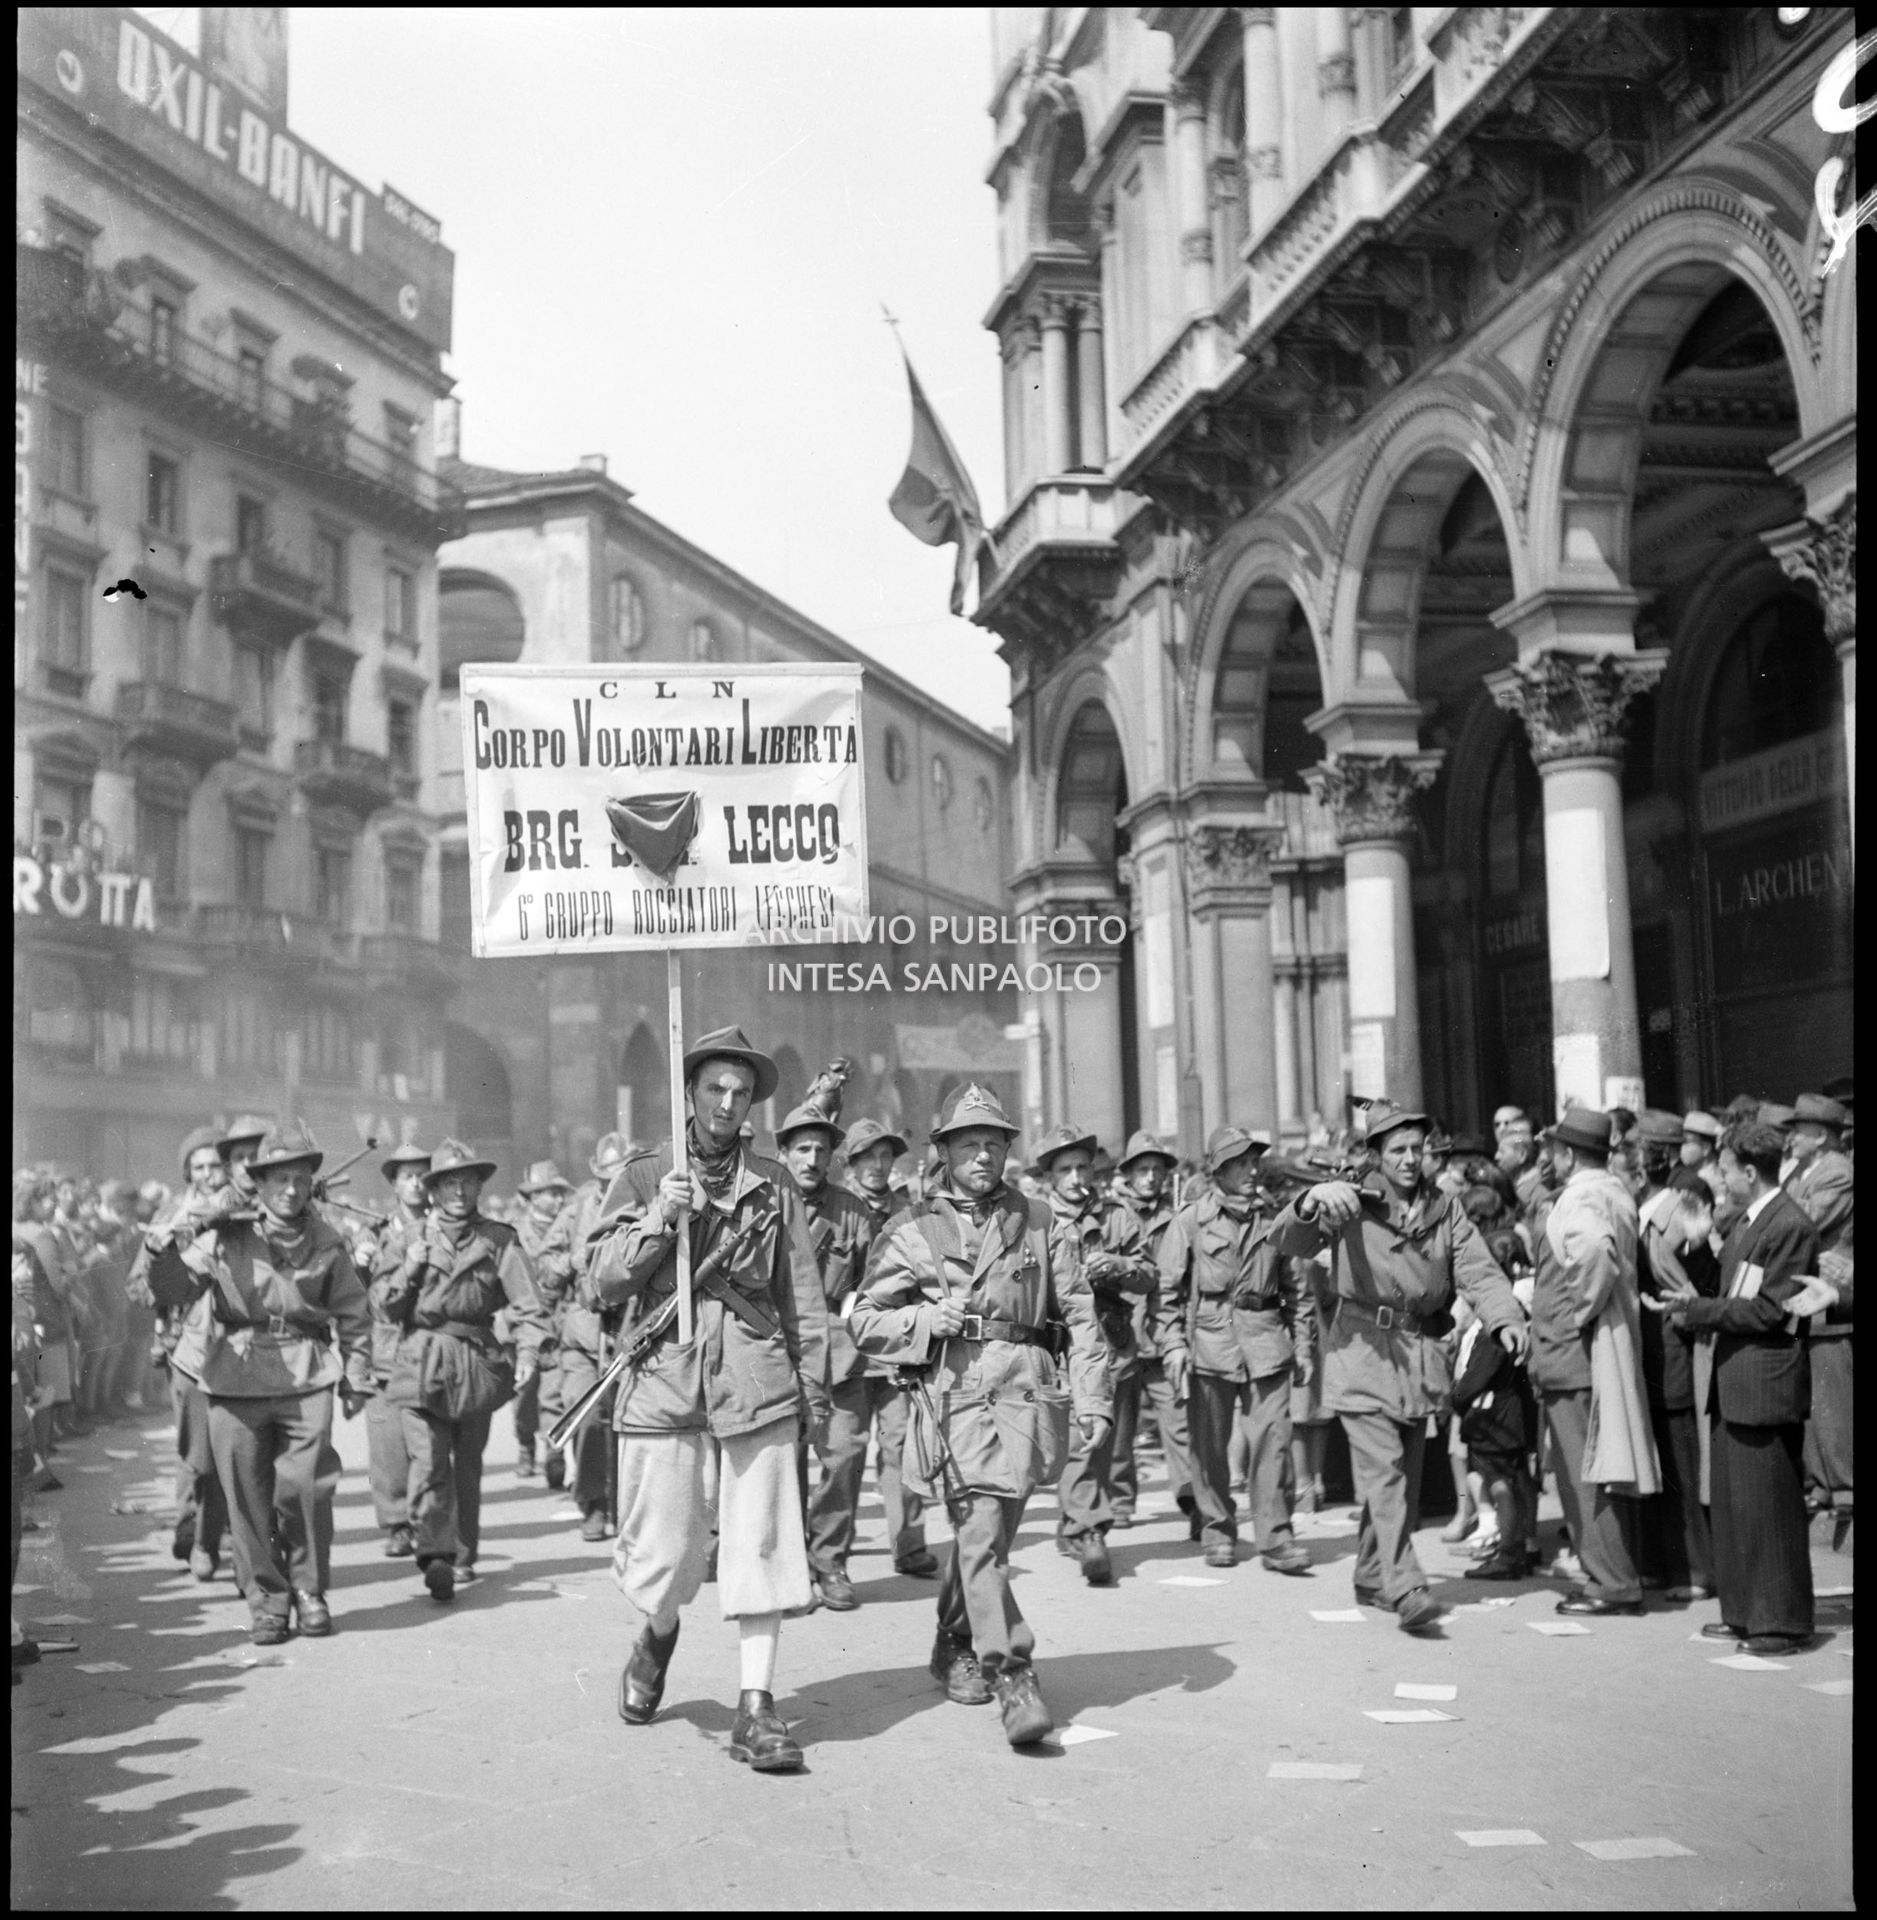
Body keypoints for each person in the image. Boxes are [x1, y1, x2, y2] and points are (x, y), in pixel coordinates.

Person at [585, 1026, 831, 1773]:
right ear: (688, 1092)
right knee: (666, 1554)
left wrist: (811, 1396)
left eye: (741, 1091)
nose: (727, 1102)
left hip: (755, 1380)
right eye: (714, 1088)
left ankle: (756, 1707)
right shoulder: (643, 1173)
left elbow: (805, 1300)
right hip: (664, 1380)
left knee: (760, 1544)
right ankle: (657, 1633)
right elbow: (601, 1278)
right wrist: (661, 1215)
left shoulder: (776, 1184)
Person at [850, 1082, 1111, 1747]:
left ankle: (952, 1636)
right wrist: (919, 1318)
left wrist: (1093, 1398)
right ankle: (1012, 1672)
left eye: (993, 1143)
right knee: (980, 1530)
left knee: (988, 1539)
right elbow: (862, 1319)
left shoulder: (1043, 1218)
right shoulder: (910, 1227)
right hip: (953, 1400)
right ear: (943, 1152)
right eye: (968, 1143)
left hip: (1028, 1399)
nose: (982, 1155)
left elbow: (1081, 1317)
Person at [1272, 1098, 1528, 1634]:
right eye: (1398, 1151)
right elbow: (1289, 1240)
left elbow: (1477, 1270)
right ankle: (1407, 1584)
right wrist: (1311, 1200)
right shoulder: (1348, 1200)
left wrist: (1504, 1317)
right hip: (1361, 1349)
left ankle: (1370, 1573)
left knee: (1403, 1486)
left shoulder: (1444, 1206)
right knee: (1384, 1473)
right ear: (1375, 1155)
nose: (1410, 1160)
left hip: (1418, 1355)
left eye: (1417, 1149)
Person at [147, 1122, 372, 1645]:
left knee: (307, 1489)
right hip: (235, 1374)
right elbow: (172, 1288)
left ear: (310, 1183)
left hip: (306, 1370)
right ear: (259, 1185)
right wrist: (179, 1238)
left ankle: (310, 1590)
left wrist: (357, 1376)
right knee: (246, 1499)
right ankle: (267, 1602)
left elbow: (355, 1314)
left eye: (298, 1178)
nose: (290, 1190)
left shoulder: (326, 1241)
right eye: (278, 1180)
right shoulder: (228, 1234)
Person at [1658, 1121, 1821, 1655]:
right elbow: (1732, 1289)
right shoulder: (1753, 1220)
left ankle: (1780, 1622)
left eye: (1726, 1170)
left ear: (1751, 1172)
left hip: (1763, 1383)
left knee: (1769, 1509)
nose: (1719, 1180)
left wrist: (1697, 1310)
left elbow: (1772, 1309)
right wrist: (1704, 1248)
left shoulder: (1789, 1224)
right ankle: (1744, 1613)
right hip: (1737, 1381)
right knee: (1735, 1508)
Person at [379, 1140, 550, 1603]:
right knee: (428, 1460)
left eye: (468, 1181)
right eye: (449, 1182)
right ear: (432, 1189)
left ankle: (464, 1553)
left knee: (467, 1465)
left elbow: (529, 1306)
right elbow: (386, 1306)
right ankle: (435, 1552)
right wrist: (409, 1268)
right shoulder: (407, 1239)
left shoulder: (499, 1240)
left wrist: (530, 1355)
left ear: (479, 1186)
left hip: (475, 1360)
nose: (459, 1190)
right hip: (421, 1356)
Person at [1158, 1126, 1315, 1575]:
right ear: (1218, 1170)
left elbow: (1297, 1290)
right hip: (1209, 1340)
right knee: (1209, 1445)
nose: (1251, 1170)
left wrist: (1302, 1347)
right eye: (1240, 1163)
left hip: (1266, 1339)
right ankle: (1217, 1529)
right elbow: (1166, 1292)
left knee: (1274, 1441)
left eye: (1253, 1161)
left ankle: (1276, 1538)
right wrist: (1172, 1345)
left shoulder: (1276, 1218)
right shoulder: (1190, 1220)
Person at [1529, 1109, 1659, 1617]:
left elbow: (1596, 1256)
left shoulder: (1580, 1197)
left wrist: (1580, 1309)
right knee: (1599, 1463)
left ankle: (1611, 1579)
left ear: (1565, 1155)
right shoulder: (1615, 1190)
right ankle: (1615, 1571)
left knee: (1584, 1470)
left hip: (1573, 1349)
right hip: (1599, 1344)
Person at [1031, 1123, 1150, 1587]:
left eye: (1083, 1166)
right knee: (1081, 1438)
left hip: (1113, 1339)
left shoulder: (1117, 1217)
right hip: (1064, 1345)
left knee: (1107, 1444)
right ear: (1050, 1176)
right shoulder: (1036, 1220)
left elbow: (1150, 1274)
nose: (1077, 1176)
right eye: (1066, 1169)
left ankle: (1073, 1523)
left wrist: (1120, 1267)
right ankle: (1088, 1530)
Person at [775, 1099, 879, 1611]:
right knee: (781, 1463)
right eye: (802, 1148)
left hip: (839, 1352)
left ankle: (830, 1559)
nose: (812, 1158)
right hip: (777, 1352)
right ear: (785, 1153)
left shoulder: (853, 1212)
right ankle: (791, 1564)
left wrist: (857, 1308)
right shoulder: (765, 1205)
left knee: (845, 1455)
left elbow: (876, 1282)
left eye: (821, 1149)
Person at [127, 1127, 231, 1579]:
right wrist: (166, 1290)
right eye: (199, 1166)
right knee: (194, 1443)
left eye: (215, 1165)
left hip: (236, 1341)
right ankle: (191, 1525)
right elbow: (136, 1282)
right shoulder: (171, 1213)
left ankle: (221, 1529)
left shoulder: (241, 1211)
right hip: (183, 1344)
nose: (208, 1175)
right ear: (187, 1170)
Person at [840, 1119, 935, 1579]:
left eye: (884, 1156)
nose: (877, 1166)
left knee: (903, 1448)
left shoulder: (911, 1212)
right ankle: (830, 1554)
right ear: (852, 1164)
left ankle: (909, 1545)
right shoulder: (838, 1209)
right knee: (845, 1453)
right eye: (867, 1157)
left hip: (898, 1346)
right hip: (848, 1351)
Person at [1105, 1132, 1195, 1535]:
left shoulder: (1177, 1218)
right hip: (1121, 1335)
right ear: (1128, 1174)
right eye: (1143, 1169)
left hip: (1163, 1333)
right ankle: (1120, 1501)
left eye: (1157, 1169)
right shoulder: (1111, 1217)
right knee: (1121, 1429)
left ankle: (1194, 1499)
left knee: (1180, 1423)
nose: (1151, 1177)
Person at [556, 1133, 636, 1536]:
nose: (614, 1183)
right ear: (597, 1174)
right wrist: (570, 1263)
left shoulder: (644, 1208)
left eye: (623, 1173)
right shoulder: (575, 1212)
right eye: (608, 1175)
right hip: (584, 1337)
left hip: (629, 1333)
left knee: (629, 1422)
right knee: (586, 1417)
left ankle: (623, 1505)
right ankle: (593, 1502)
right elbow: (544, 1267)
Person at [359, 1142, 432, 1558]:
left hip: (429, 1348)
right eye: (408, 1176)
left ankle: (431, 1518)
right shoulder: (377, 1232)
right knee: (387, 1445)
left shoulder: (446, 1225)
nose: (417, 1183)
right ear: (394, 1184)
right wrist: (358, 1259)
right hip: (386, 1347)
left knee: (429, 1443)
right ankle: (396, 1522)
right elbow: (355, 1291)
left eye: (423, 1174)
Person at [1784, 1093, 1853, 1523]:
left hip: (1833, 1299)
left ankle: (1843, 1489)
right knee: (1812, 1400)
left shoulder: (1839, 1173)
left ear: (1822, 1136)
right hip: (1811, 1298)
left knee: (1832, 1398)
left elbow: (1803, 1219)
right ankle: (1823, 1486)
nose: (1791, 1137)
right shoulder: (1805, 1170)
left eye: (1800, 1129)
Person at [510, 1161, 577, 1482]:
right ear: (534, 1196)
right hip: (522, 1325)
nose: (559, 1200)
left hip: (556, 1320)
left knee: (555, 1391)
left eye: (561, 1194)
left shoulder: (567, 1228)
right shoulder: (514, 1232)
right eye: (552, 1193)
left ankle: (554, 1453)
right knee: (524, 1394)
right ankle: (525, 1445)